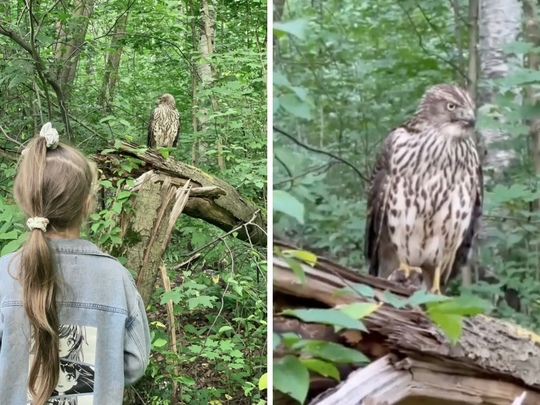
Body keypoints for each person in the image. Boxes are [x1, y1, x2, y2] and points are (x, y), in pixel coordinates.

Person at [0, 123, 151, 404]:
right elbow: (134, 363)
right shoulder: (116, 279)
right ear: (86, 204)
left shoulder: (4, 274)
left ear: (23, 199)